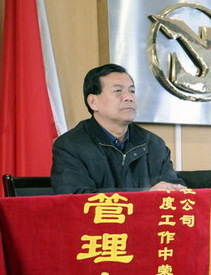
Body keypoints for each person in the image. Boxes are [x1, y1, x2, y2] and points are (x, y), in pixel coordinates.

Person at [51, 64, 185, 194]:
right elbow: (75, 198)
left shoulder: (154, 144)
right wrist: (145, 195)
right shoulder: (70, 146)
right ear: (93, 102)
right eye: (118, 91)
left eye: (132, 91)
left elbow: (173, 192)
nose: (129, 97)